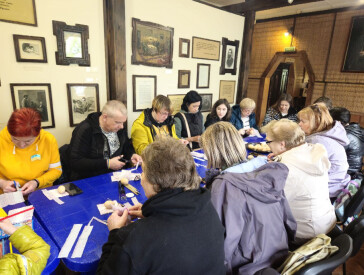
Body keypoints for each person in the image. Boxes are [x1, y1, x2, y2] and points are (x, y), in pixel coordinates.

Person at [97, 137, 225, 274]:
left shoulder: (133, 239)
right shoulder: (208, 208)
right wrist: (152, 212)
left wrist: (115, 233)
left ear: (156, 183)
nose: (141, 180)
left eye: (143, 172)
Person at [200, 122, 296, 275]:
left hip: (249, 265)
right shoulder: (266, 170)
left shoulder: (224, 185)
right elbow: (289, 220)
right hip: (279, 254)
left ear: (212, 152)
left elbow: (221, 241)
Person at [261, 119, 336, 244]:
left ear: (282, 144)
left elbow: (271, 203)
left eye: (268, 142)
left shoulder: (286, 170)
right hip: (326, 221)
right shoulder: (311, 152)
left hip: (308, 234)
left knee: (258, 219)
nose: (268, 145)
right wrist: (279, 158)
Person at [68, 100, 142, 181]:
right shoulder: (85, 130)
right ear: (105, 117)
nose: (122, 127)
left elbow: (126, 148)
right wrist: (107, 163)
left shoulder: (119, 129)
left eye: (123, 122)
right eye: (118, 122)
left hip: (115, 176)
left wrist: (132, 155)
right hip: (90, 179)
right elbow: (75, 162)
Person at [0, 108, 61, 195]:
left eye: (28, 141)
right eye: (15, 139)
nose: (21, 145)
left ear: (38, 133)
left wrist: (36, 182)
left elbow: (56, 170)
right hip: (9, 196)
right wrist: (2, 183)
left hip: (40, 193)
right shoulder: (1, 139)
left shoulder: (48, 140)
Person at [298, 103, 351, 198]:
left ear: (316, 122)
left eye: (303, 121)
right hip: (338, 184)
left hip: (328, 189)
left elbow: (303, 167)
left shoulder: (317, 140)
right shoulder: (328, 135)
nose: (299, 124)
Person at [330, 107, 364, 175]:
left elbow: (332, 155)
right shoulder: (357, 130)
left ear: (338, 122)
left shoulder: (344, 136)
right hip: (356, 171)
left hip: (347, 173)